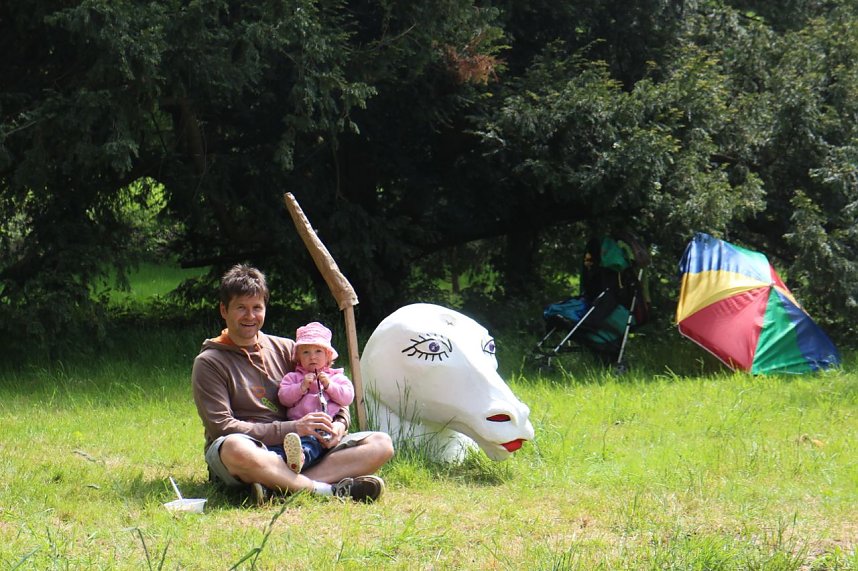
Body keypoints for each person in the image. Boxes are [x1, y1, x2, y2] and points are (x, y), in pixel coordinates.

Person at [192, 264, 394, 504]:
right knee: (235, 447)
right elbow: (222, 428)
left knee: (381, 444)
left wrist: (339, 425)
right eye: (241, 308)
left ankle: (277, 487)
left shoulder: (289, 349)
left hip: (306, 447)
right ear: (224, 310)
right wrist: (293, 428)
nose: (250, 316)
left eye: (257, 307)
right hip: (251, 450)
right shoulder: (209, 362)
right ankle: (325, 490)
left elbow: (331, 389)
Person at [278, 321, 355, 474]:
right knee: (299, 443)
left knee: (314, 443)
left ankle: (296, 461)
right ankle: (284, 461)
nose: (312, 357)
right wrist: (301, 388)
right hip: (299, 427)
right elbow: (284, 398)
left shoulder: (337, 377)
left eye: (318, 351)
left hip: (327, 429)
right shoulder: (293, 377)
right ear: (298, 357)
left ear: (328, 356)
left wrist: (329, 386)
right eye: (306, 352)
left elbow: (347, 397)